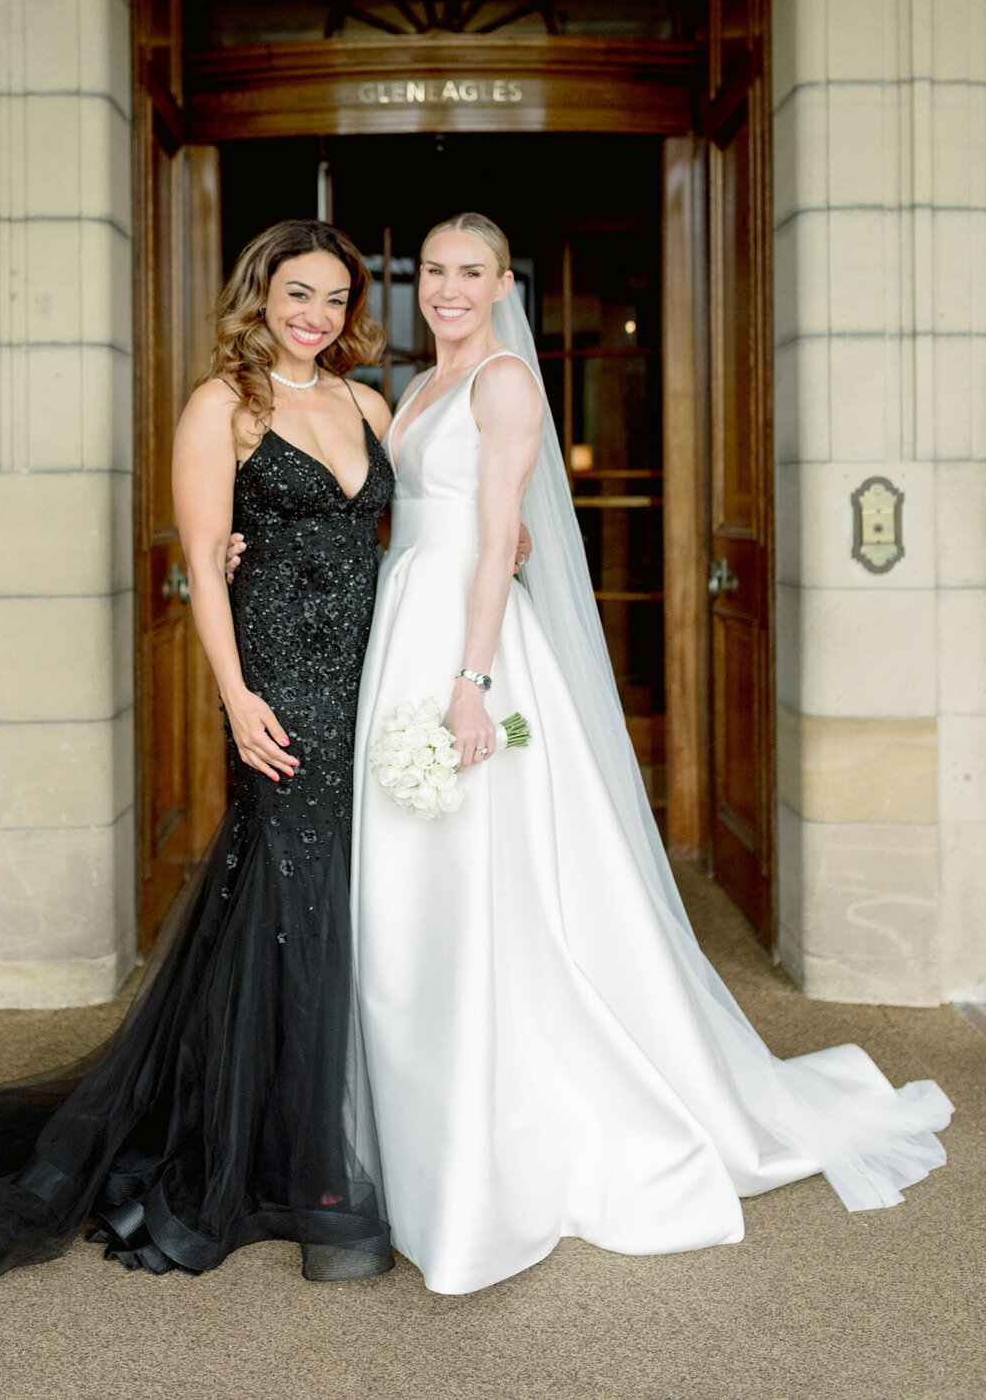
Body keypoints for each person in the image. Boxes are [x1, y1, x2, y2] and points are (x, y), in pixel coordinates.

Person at [351, 210, 953, 1296]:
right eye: (434, 269)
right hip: (410, 621)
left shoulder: (500, 382)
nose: (446, 287)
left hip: (467, 652)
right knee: (415, 882)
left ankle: (504, 1134)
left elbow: (499, 542)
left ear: (501, 285)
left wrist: (472, 683)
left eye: (469, 271)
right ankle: (424, 1121)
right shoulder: (416, 390)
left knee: (497, 883)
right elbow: (432, 522)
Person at [0, 219, 397, 1291]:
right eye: (296, 293)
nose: (315, 316)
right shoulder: (224, 406)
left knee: (331, 899)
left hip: (374, 677)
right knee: (298, 904)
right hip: (281, 685)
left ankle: (296, 1124)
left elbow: (415, 532)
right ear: (259, 295)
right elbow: (206, 569)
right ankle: (314, 1181)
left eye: (335, 299)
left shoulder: (369, 404)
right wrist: (237, 696)